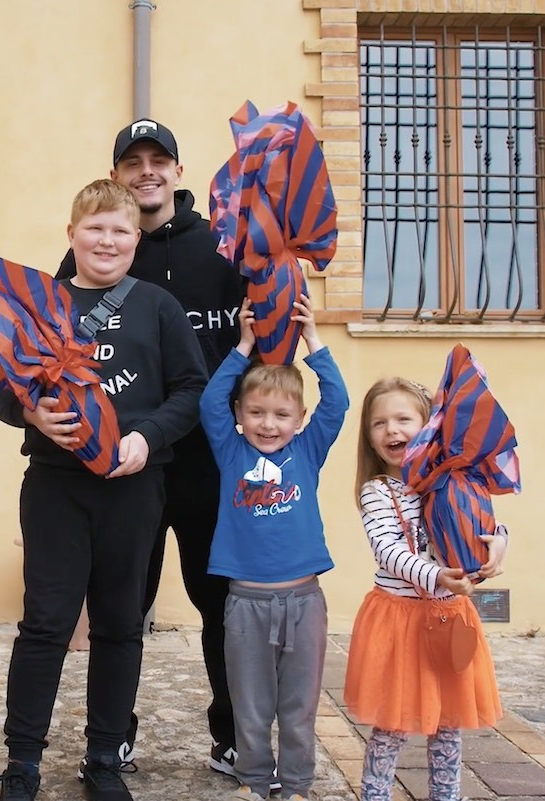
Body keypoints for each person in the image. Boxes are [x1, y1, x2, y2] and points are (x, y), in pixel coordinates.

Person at [0, 179, 208, 801]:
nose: (106, 240)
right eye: (95, 228)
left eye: (120, 230)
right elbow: (0, 387)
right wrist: (29, 414)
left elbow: (191, 389)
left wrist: (148, 436)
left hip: (133, 489)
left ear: (136, 240)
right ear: (72, 235)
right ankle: (23, 760)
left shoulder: (158, 307)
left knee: (118, 624)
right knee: (46, 624)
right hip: (56, 489)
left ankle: (104, 758)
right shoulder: (40, 305)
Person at [58, 118, 245, 779]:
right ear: (116, 176)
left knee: (219, 601)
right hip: (125, 464)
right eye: (132, 161)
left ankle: (232, 736)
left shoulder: (225, 244)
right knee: (120, 604)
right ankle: (113, 736)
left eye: (158, 160)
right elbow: (56, 349)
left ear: (178, 171)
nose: (146, 171)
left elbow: (262, 334)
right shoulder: (92, 253)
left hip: (209, 459)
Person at [201, 297, 349, 801]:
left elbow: (339, 403)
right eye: (257, 412)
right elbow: (207, 403)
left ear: (299, 418)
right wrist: (243, 346)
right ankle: (254, 782)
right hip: (245, 604)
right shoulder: (230, 450)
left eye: (281, 414)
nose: (268, 423)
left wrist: (314, 340)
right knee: (251, 706)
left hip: (305, 603)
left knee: (299, 706)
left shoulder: (307, 450)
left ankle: (298, 785)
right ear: (239, 414)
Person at [344, 378, 510, 801]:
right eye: (379, 423)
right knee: (392, 726)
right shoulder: (378, 491)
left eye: (403, 419)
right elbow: (387, 549)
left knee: (448, 726)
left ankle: (446, 795)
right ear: (369, 436)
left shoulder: (452, 479)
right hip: (400, 620)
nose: (391, 430)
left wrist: (499, 541)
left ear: (429, 425)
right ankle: (376, 794)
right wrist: (436, 576)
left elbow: (481, 521)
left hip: (450, 616)